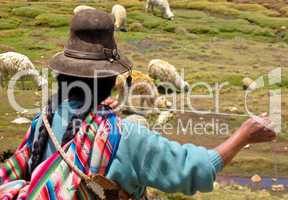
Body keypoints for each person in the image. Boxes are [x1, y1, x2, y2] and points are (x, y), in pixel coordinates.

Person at [0, 9, 276, 200]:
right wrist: (243, 135)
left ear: (63, 75)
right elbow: (197, 169)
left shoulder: (44, 118)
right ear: (111, 78)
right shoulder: (127, 137)